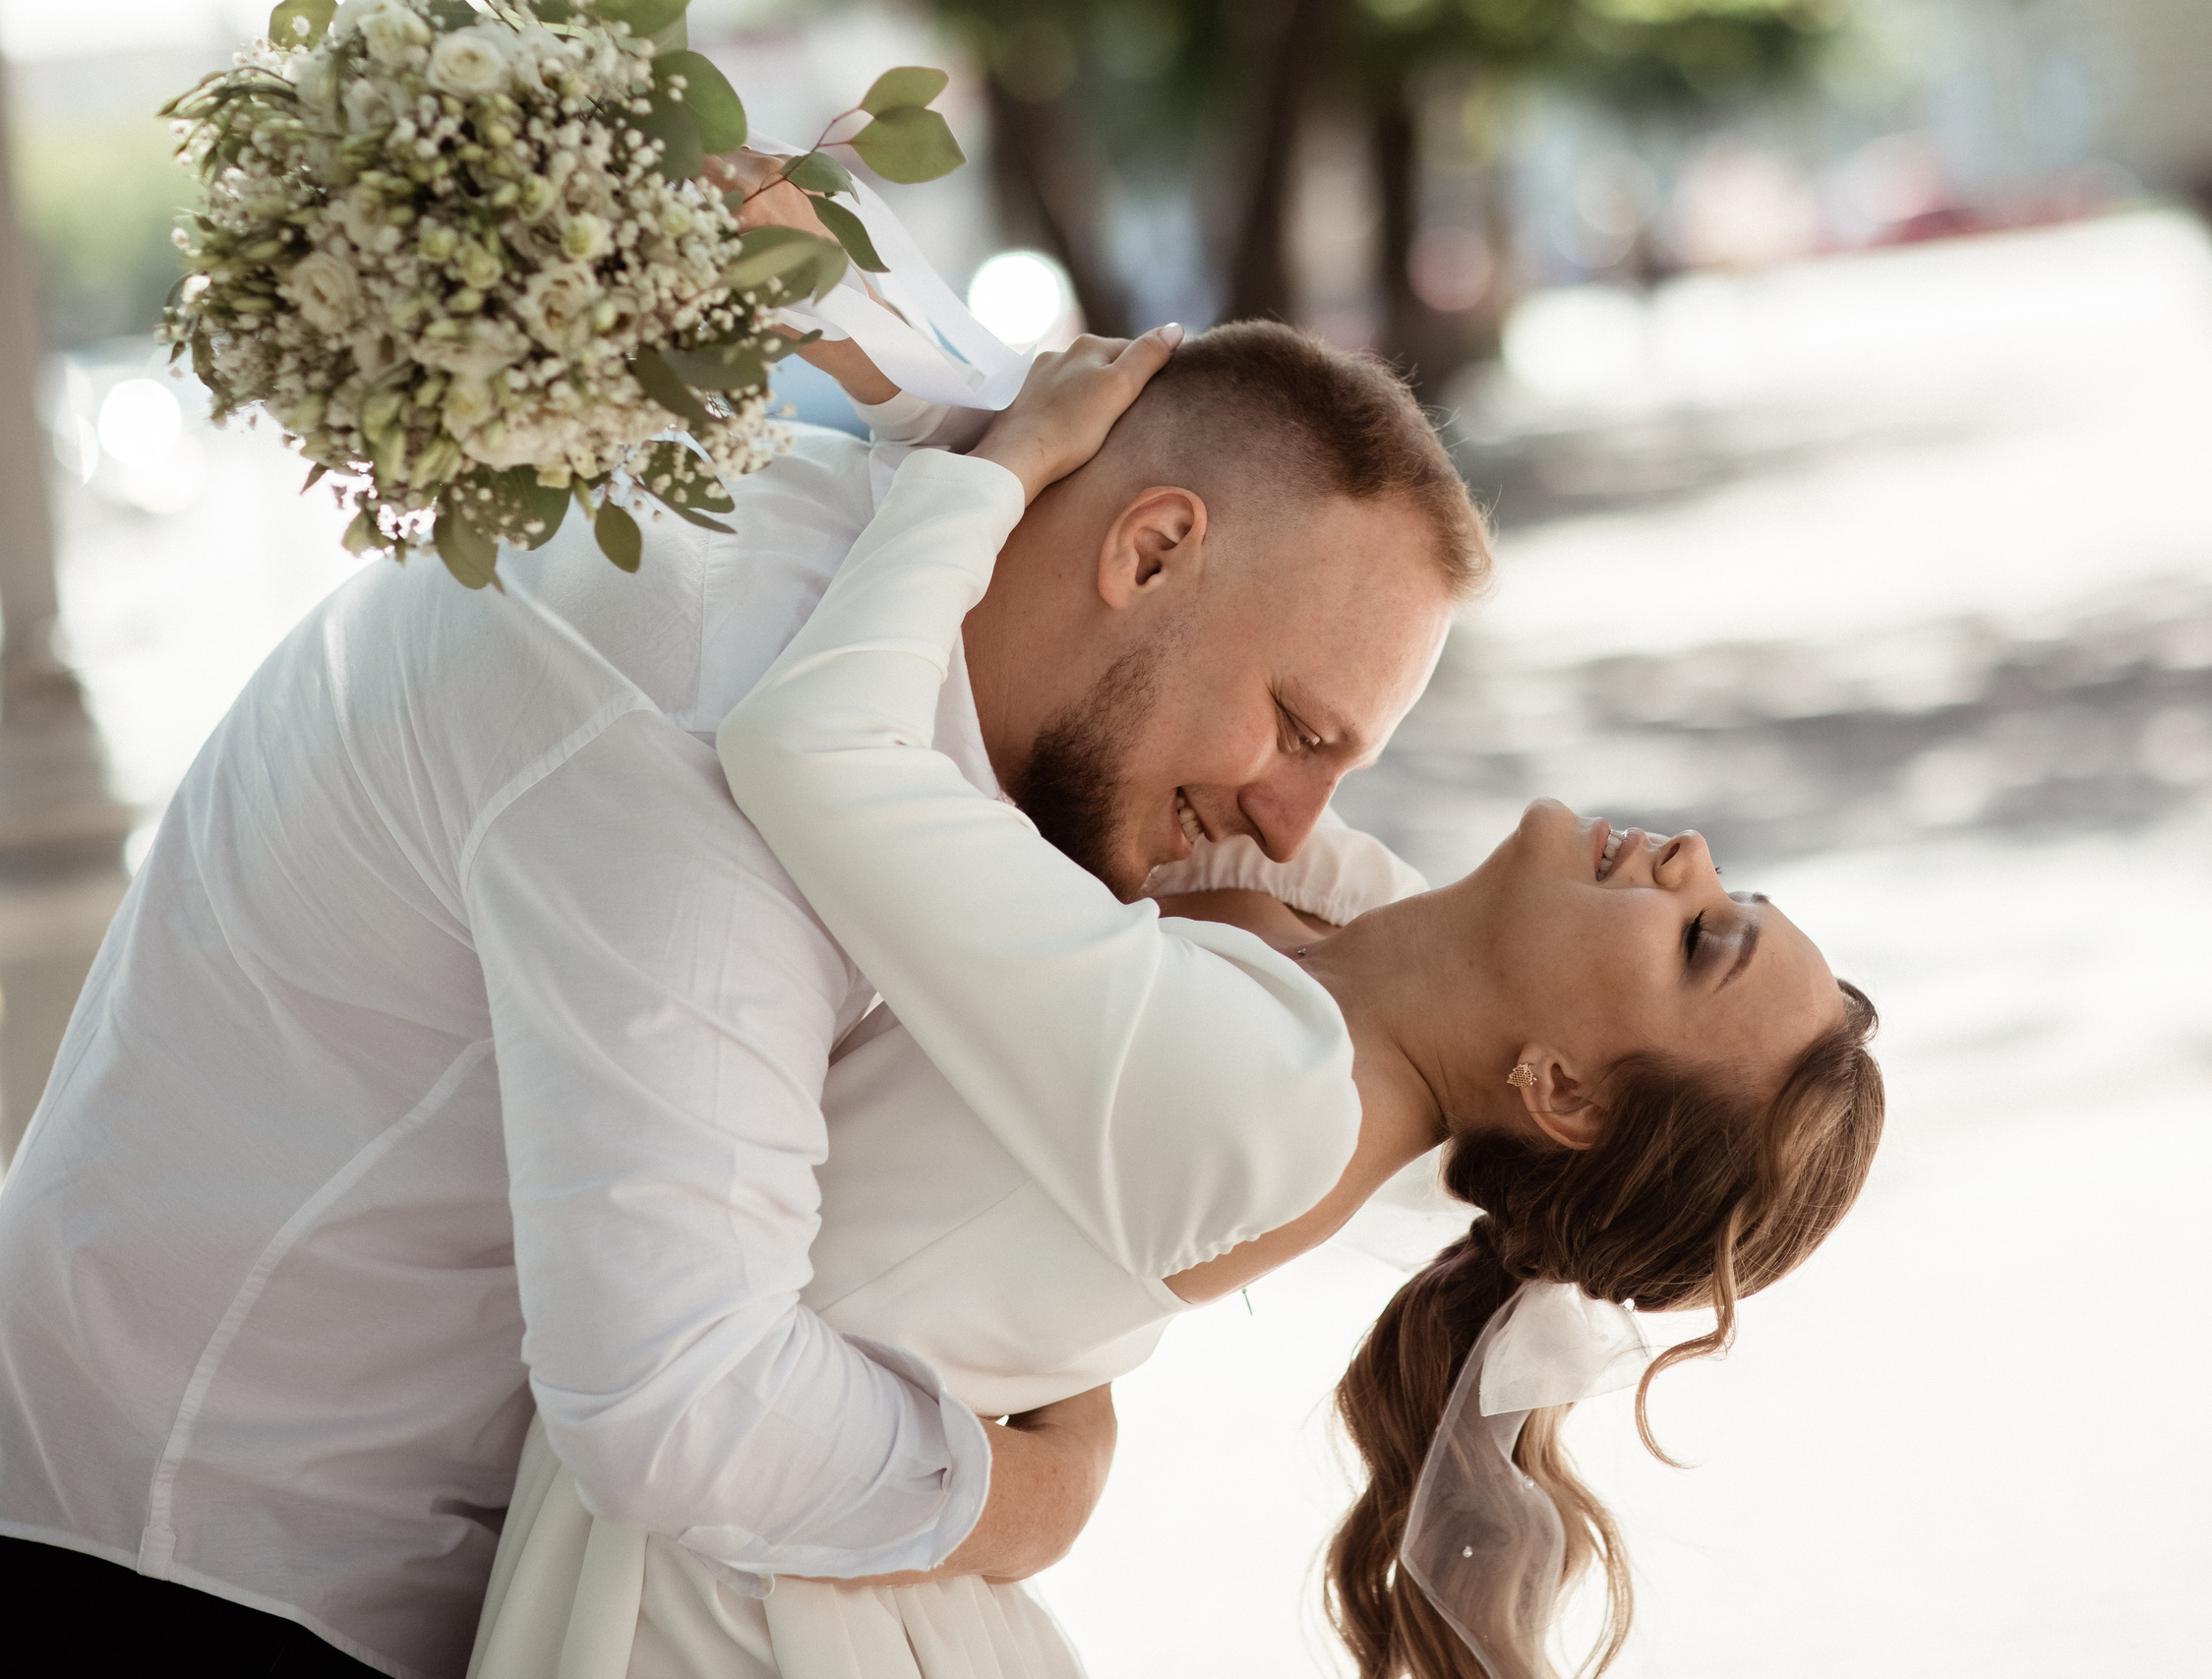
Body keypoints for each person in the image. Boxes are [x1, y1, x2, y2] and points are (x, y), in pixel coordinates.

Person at [0, 315, 1482, 1679]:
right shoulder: (695, 690)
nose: (1288, 824)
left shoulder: (997, 656)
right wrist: (1032, 1494)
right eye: (1295, 731)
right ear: (1150, 553)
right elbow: (679, 1400)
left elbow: (1394, 938)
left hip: (434, 1567)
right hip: (204, 1559)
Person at [454, 345, 1883, 1678]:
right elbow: (1158, 724)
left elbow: (812, 744)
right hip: (795, 1547)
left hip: (731, 1602)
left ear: (1562, 1092)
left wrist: (1003, 468)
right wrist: (935, 382)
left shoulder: (1263, 1100)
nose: (1690, 862)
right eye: (1728, 896)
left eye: (1704, 943)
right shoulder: (1366, 965)